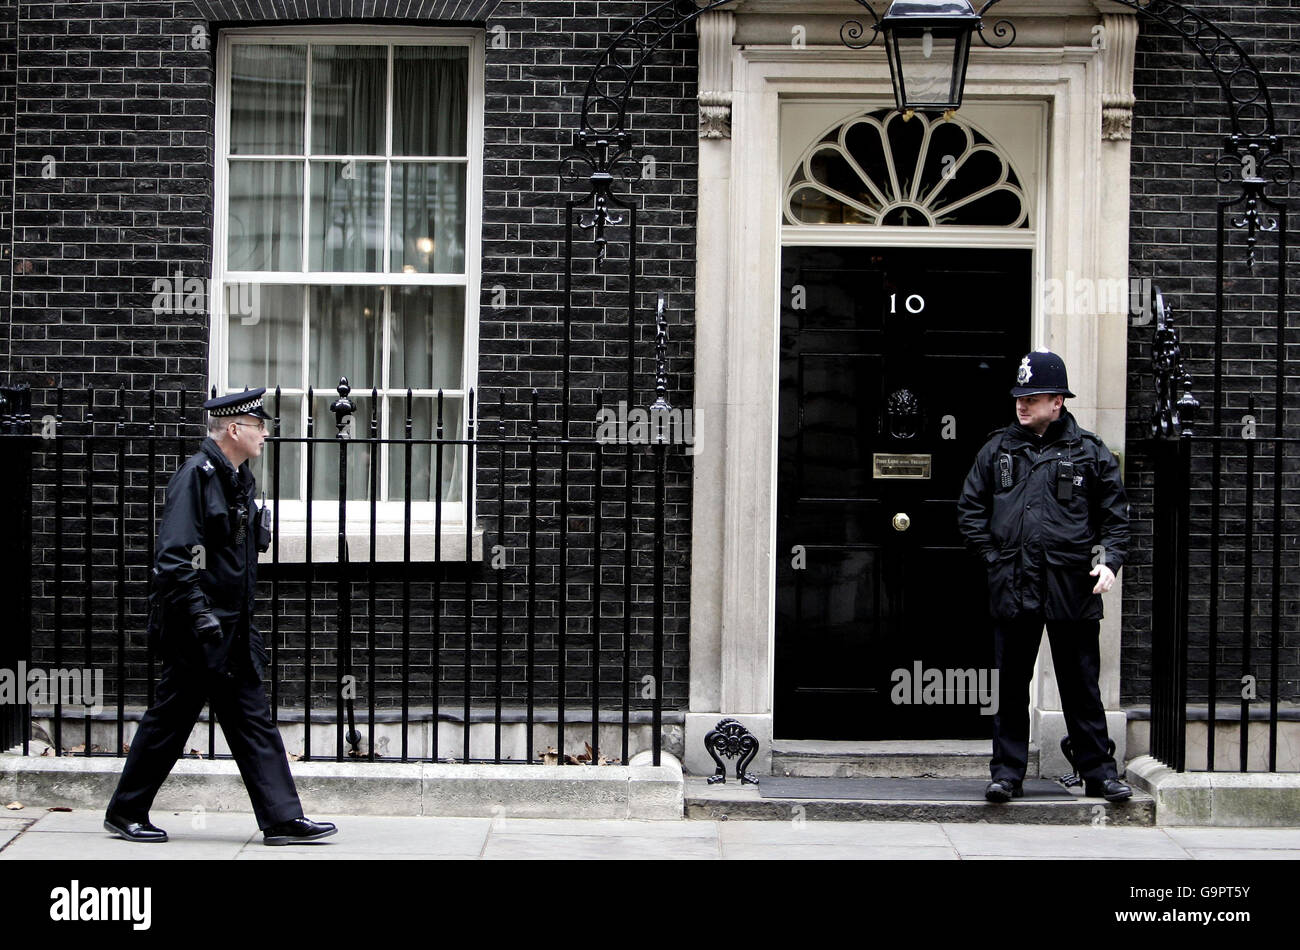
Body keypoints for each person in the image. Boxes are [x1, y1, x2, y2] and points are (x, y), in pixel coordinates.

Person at [104, 388, 338, 844]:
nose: (266, 434)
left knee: (252, 719)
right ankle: (126, 811)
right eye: (258, 426)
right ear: (233, 429)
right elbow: (174, 559)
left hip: (231, 627)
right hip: (199, 629)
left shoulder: (236, 477)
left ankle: (282, 819)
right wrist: (200, 617)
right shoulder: (198, 476)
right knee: (169, 721)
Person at [956, 351, 1133, 804]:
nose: (1022, 405)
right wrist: (994, 558)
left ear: (1057, 401)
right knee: (1011, 684)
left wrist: (1109, 562)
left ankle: (1099, 772)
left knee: (1081, 685)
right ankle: (1007, 774)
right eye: (1019, 397)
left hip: (1071, 583)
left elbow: (1116, 518)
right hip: (1014, 582)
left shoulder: (1090, 452)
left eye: (1032, 398)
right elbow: (970, 510)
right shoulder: (997, 449)